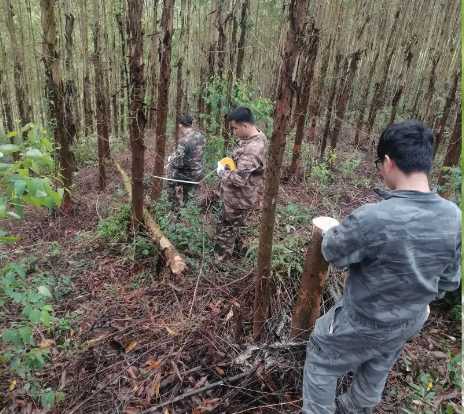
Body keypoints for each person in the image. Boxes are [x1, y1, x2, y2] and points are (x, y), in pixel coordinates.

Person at [302, 120, 461, 414]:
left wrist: (337, 229)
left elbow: (333, 252)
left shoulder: (373, 218)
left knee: (321, 360)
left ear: (388, 162)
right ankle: (355, 408)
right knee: (380, 360)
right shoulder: (454, 216)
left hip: (362, 320)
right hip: (410, 319)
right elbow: (449, 281)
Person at [213, 107, 268, 263]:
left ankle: (221, 263)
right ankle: (240, 252)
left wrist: (222, 172)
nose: (234, 132)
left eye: (235, 128)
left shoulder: (252, 150)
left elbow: (238, 179)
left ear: (245, 125)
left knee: (225, 232)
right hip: (241, 196)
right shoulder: (256, 136)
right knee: (238, 227)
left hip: (237, 199)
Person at [166, 115, 205, 209]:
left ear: (180, 126)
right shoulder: (201, 137)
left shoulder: (183, 142)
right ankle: (188, 212)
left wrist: (171, 159)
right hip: (198, 173)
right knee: (190, 195)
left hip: (186, 174)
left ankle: (174, 207)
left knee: (169, 182)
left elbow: (177, 164)